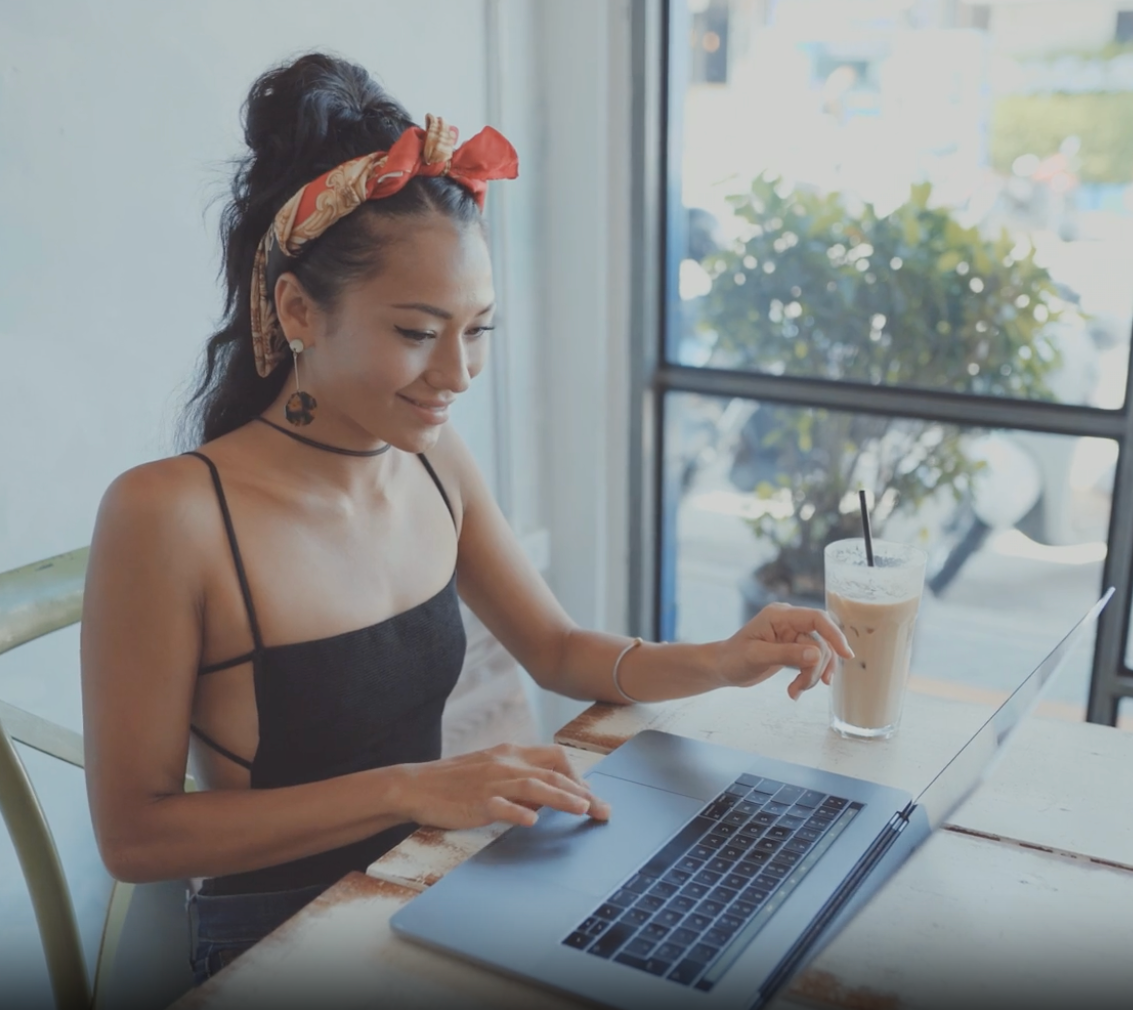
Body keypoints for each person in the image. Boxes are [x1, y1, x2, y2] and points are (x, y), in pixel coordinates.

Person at [79, 53, 851, 984]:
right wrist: (415, 788)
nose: (457, 376)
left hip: (437, 890)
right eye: (416, 332)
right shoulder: (170, 514)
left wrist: (724, 661)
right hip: (280, 941)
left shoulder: (433, 461)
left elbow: (558, 649)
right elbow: (136, 836)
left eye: (477, 329)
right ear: (297, 309)